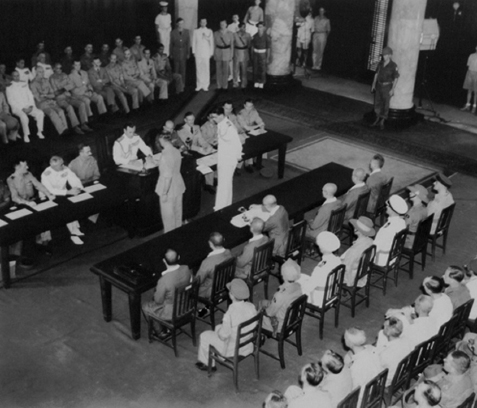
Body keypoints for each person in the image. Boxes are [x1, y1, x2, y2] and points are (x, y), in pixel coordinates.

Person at [196, 278, 257, 371]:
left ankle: (208, 364)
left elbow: (223, 337)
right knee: (218, 327)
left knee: (205, 335)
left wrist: (218, 331)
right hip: (248, 345)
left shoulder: (230, 313)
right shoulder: (251, 306)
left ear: (231, 295)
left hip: (232, 349)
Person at [142, 248, 191, 337]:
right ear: (179, 257)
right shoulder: (186, 268)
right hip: (187, 306)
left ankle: (161, 333)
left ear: (164, 261)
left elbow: (158, 301)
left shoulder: (163, 280)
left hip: (172, 312)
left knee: (146, 306)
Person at [41, 156, 85, 245]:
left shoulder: (65, 168)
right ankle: (72, 234)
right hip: (49, 196)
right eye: (60, 165)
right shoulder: (46, 174)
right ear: (53, 166)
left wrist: (78, 188)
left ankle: (75, 228)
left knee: (71, 204)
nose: (63, 166)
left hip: (63, 194)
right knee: (65, 208)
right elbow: (50, 190)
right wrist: (68, 192)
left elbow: (74, 179)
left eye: (63, 163)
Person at [211, 107, 242, 211]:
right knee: (226, 183)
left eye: (214, 117)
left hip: (228, 159)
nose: (213, 119)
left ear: (220, 115)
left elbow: (237, 143)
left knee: (223, 184)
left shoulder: (228, 126)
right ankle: (226, 205)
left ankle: (220, 207)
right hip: (225, 157)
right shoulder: (222, 123)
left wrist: (236, 157)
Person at [298, 231, 341, 306]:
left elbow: (309, 287)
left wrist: (301, 282)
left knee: (295, 282)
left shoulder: (320, 268)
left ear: (321, 248)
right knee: (302, 276)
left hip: (319, 298)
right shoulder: (338, 261)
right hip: (332, 293)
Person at [259, 258, 302, 334]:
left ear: (283, 276)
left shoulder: (280, 295)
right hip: (292, 319)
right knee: (265, 302)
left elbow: (269, 313)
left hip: (281, 325)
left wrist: (262, 310)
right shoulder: (298, 287)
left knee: (259, 308)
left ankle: (260, 335)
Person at [196, 232, 233, 317]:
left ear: (210, 243)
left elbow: (198, 280)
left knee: (189, 292)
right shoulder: (228, 252)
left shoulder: (207, 262)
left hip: (212, 289)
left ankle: (202, 308)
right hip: (225, 283)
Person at [154, 133, 186, 233]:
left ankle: (169, 239)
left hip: (168, 189)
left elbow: (167, 177)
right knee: (177, 215)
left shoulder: (165, 155)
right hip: (178, 186)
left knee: (168, 219)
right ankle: (178, 235)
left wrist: (164, 193)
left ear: (161, 142)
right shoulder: (176, 151)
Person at [343, 328, 383, 405]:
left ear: (350, 343)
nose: (344, 339)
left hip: (362, 398)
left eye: (345, 338)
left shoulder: (356, 367)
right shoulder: (372, 349)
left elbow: (353, 390)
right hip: (375, 388)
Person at [50, 63, 92, 134]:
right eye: (57, 68)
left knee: (81, 104)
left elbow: (71, 84)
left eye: (60, 68)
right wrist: (65, 87)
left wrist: (63, 89)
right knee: (69, 107)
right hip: (60, 99)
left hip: (68, 96)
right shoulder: (52, 78)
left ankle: (84, 124)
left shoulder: (64, 75)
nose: (60, 70)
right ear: (54, 69)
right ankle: (75, 127)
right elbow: (55, 91)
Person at [6, 70, 45, 143]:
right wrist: (22, 108)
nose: (17, 77)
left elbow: (30, 96)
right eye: (14, 76)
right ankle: (26, 135)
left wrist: (31, 106)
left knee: (40, 113)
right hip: (18, 108)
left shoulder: (24, 83)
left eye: (18, 75)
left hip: (28, 105)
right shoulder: (9, 87)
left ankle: (39, 132)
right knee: (24, 117)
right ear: (12, 77)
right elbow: (11, 101)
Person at [30, 66, 68, 136]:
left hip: (50, 101)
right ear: (36, 73)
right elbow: (38, 99)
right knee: (52, 113)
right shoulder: (33, 84)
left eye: (43, 71)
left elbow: (53, 94)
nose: (42, 73)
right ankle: (62, 131)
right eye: (40, 72)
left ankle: (65, 130)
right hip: (41, 104)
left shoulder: (46, 80)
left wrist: (45, 95)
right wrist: (47, 96)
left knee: (61, 111)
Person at [376, 316, 413, 386]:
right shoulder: (406, 341)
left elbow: (378, 364)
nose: (383, 328)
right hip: (400, 372)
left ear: (389, 332)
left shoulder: (386, 354)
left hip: (387, 380)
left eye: (385, 327)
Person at [373, 194, 407, 266]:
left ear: (392, 210)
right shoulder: (402, 222)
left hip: (381, 259)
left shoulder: (388, 229)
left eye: (387, 206)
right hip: (393, 256)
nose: (386, 207)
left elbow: (376, 245)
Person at [341, 216, 376, 287]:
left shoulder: (354, 251)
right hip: (362, 272)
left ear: (357, 230)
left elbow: (347, 267)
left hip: (352, 276)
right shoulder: (371, 242)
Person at [371, 46, 399, 130]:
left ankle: (383, 120)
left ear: (390, 55)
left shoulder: (393, 65)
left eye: (386, 55)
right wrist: (373, 84)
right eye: (383, 55)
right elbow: (376, 74)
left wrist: (393, 89)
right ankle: (377, 118)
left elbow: (396, 78)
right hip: (379, 85)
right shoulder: (380, 64)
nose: (384, 57)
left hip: (387, 86)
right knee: (377, 102)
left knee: (385, 104)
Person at [192, 18, 214, 92]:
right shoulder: (196, 31)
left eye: (204, 22)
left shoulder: (209, 31)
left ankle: (205, 85)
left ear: (206, 23)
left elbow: (211, 42)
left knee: (206, 69)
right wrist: (194, 52)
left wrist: (211, 52)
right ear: (200, 23)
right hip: (198, 53)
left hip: (206, 53)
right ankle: (199, 85)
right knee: (198, 69)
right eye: (202, 22)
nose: (203, 23)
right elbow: (194, 41)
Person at [214, 19, 234, 90]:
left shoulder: (230, 33)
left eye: (223, 24)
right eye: (221, 24)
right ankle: (219, 85)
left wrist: (231, 55)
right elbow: (214, 45)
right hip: (218, 52)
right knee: (218, 70)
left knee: (226, 70)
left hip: (227, 52)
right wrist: (214, 54)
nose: (222, 25)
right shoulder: (216, 33)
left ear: (226, 25)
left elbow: (232, 45)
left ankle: (225, 85)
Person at [170, 18, 190, 87]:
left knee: (183, 69)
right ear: (177, 24)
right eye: (179, 23)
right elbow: (171, 44)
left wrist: (188, 53)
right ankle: (177, 85)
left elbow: (188, 43)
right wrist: (171, 53)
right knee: (176, 69)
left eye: (182, 23)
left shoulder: (187, 31)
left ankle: (183, 84)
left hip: (183, 52)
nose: (181, 25)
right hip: (176, 52)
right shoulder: (173, 32)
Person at [233, 23, 252, 89]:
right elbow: (232, 44)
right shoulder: (234, 35)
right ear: (239, 27)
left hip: (244, 54)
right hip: (236, 53)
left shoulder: (248, 35)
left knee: (244, 70)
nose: (242, 28)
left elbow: (249, 45)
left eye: (244, 27)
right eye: (241, 27)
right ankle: (235, 83)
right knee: (236, 70)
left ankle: (244, 83)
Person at [251, 21, 269, 88]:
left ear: (264, 28)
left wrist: (267, 57)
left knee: (262, 68)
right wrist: (252, 55)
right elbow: (252, 46)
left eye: (261, 27)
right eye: (258, 27)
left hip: (263, 54)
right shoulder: (255, 36)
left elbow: (268, 48)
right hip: (256, 53)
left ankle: (262, 81)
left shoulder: (266, 36)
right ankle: (256, 81)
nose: (259, 28)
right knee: (255, 67)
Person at [461, 45, 477, 113]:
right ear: (476, 48)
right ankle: (467, 105)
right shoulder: (471, 55)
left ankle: (474, 107)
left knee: (476, 92)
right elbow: (468, 65)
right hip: (470, 73)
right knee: (469, 90)